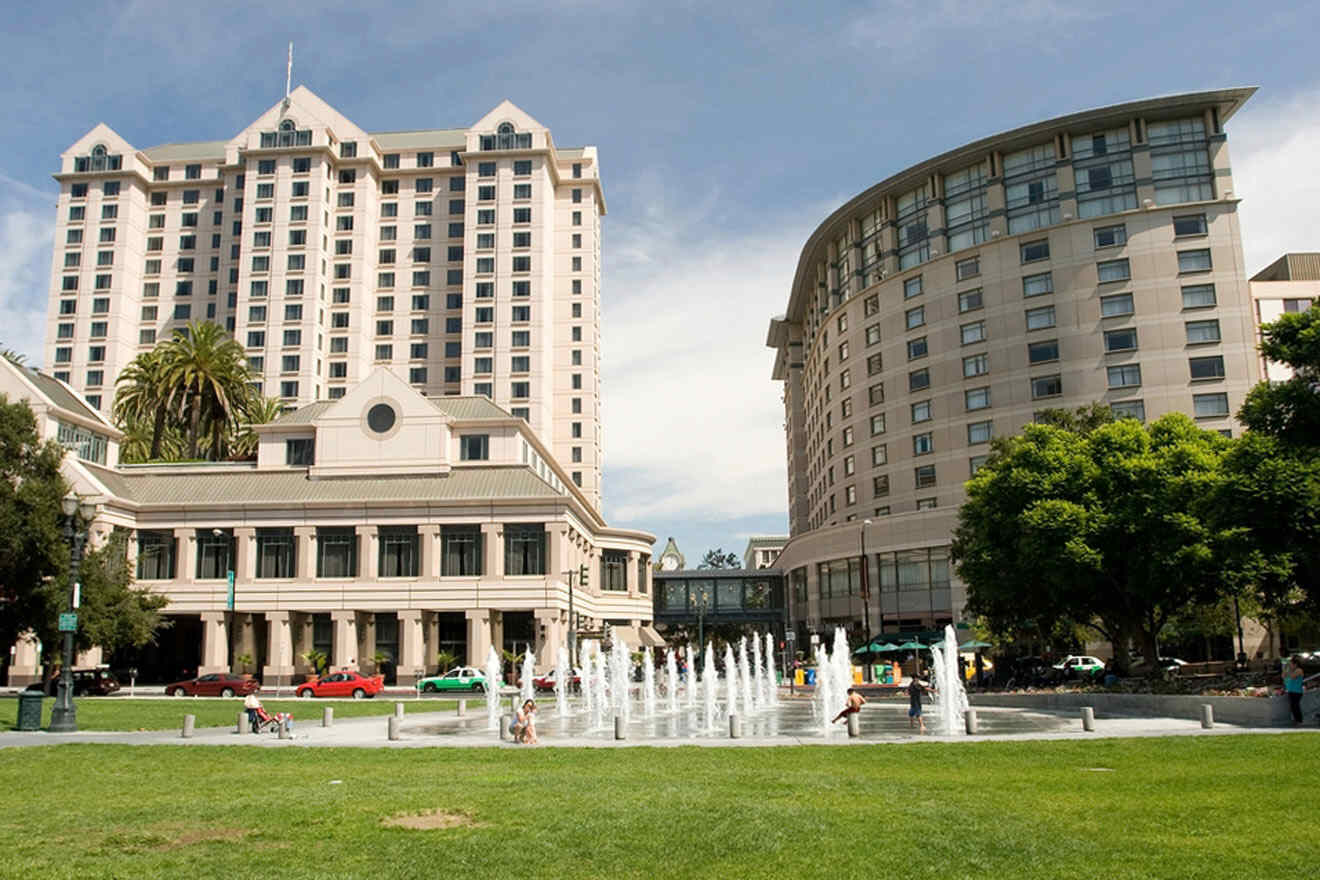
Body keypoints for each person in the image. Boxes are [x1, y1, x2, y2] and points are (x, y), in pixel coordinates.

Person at [1284, 655, 1306, 726]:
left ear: (1295, 664)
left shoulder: (1299, 670)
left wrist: (1288, 671)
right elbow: (1284, 676)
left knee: (1295, 706)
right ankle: (1295, 720)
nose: (1290, 666)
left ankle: (1299, 720)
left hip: (1297, 692)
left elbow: (1292, 676)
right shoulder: (1292, 670)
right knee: (1293, 706)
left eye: (1291, 664)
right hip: (1291, 691)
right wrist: (1285, 669)